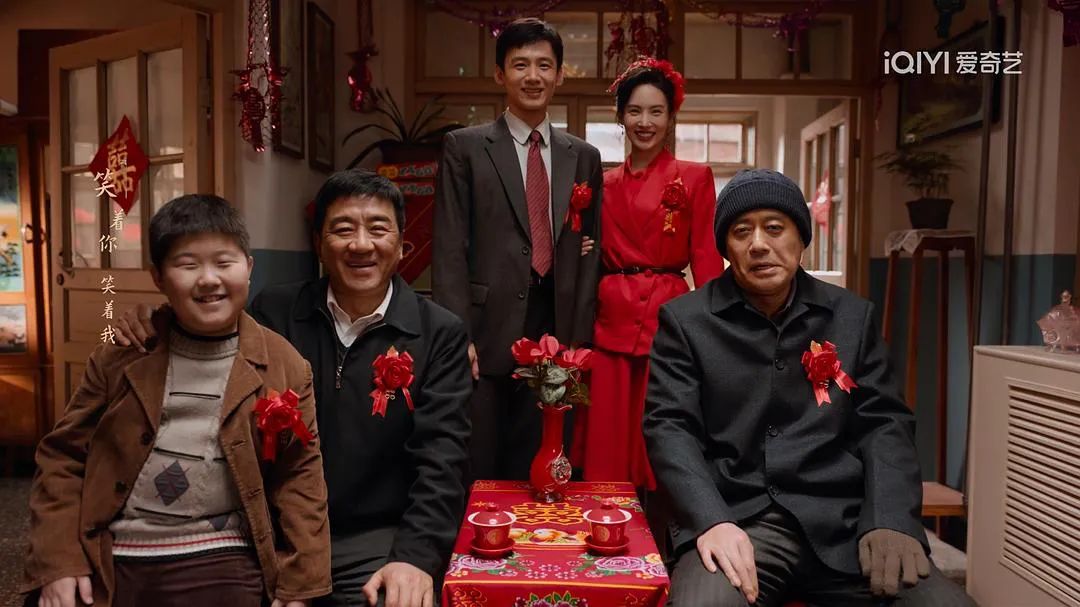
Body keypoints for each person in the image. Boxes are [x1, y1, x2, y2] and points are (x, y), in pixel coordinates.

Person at [112, 171, 473, 607]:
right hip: (274, 529)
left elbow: (441, 459)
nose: (361, 244)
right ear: (319, 243)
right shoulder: (275, 312)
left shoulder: (439, 334)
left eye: (378, 229)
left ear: (401, 245)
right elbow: (206, 332)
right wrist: (157, 320)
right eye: (343, 229)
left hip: (377, 537)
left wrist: (415, 558)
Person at [643, 169, 975, 606]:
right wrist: (711, 520)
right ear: (725, 248)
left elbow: (884, 423)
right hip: (738, 522)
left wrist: (890, 517)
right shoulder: (686, 322)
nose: (758, 244)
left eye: (774, 228)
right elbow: (670, 428)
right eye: (741, 232)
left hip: (843, 525)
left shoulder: (851, 317)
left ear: (801, 238)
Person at [22, 194, 331, 607]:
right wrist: (59, 562)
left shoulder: (285, 366)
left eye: (224, 263)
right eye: (187, 265)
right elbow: (63, 458)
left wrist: (301, 587)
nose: (208, 279)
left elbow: (300, 477)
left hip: (222, 556)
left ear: (249, 267)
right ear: (158, 277)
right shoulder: (123, 354)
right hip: (114, 551)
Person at [433, 17, 603, 480]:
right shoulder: (465, 147)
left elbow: (590, 250)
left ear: (560, 74)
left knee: (544, 459)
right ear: (499, 74)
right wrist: (457, 337)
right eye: (520, 64)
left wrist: (578, 336)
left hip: (556, 327)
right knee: (481, 462)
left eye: (544, 65)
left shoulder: (583, 156)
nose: (533, 76)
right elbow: (449, 247)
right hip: (486, 329)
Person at [571, 58, 724, 489]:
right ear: (620, 116)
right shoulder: (601, 184)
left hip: (669, 319)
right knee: (607, 440)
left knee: (662, 433)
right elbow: (584, 249)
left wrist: (715, 331)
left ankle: (664, 525)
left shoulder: (694, 178)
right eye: (635, 111)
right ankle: (606, 521)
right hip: (610, 320)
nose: (645, 122)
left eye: (656, 111)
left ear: (671, 117)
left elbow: (706, 257)